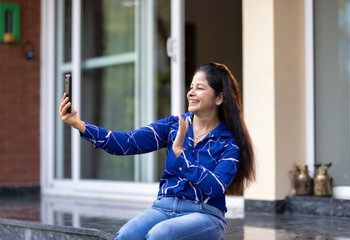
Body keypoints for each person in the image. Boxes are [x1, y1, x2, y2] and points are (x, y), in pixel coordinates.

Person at [59, 62, 255, 240]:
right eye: (191, 87)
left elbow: (215, 186)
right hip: (164, 207)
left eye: (200, 88)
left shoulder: (228, 143)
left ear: (219, 98)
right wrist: (78, 124)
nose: (191, 93)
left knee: (159, 235)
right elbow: (126, 143)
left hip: (205, 214)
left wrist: (180, 153)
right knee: (126, 236)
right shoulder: (173, 126)